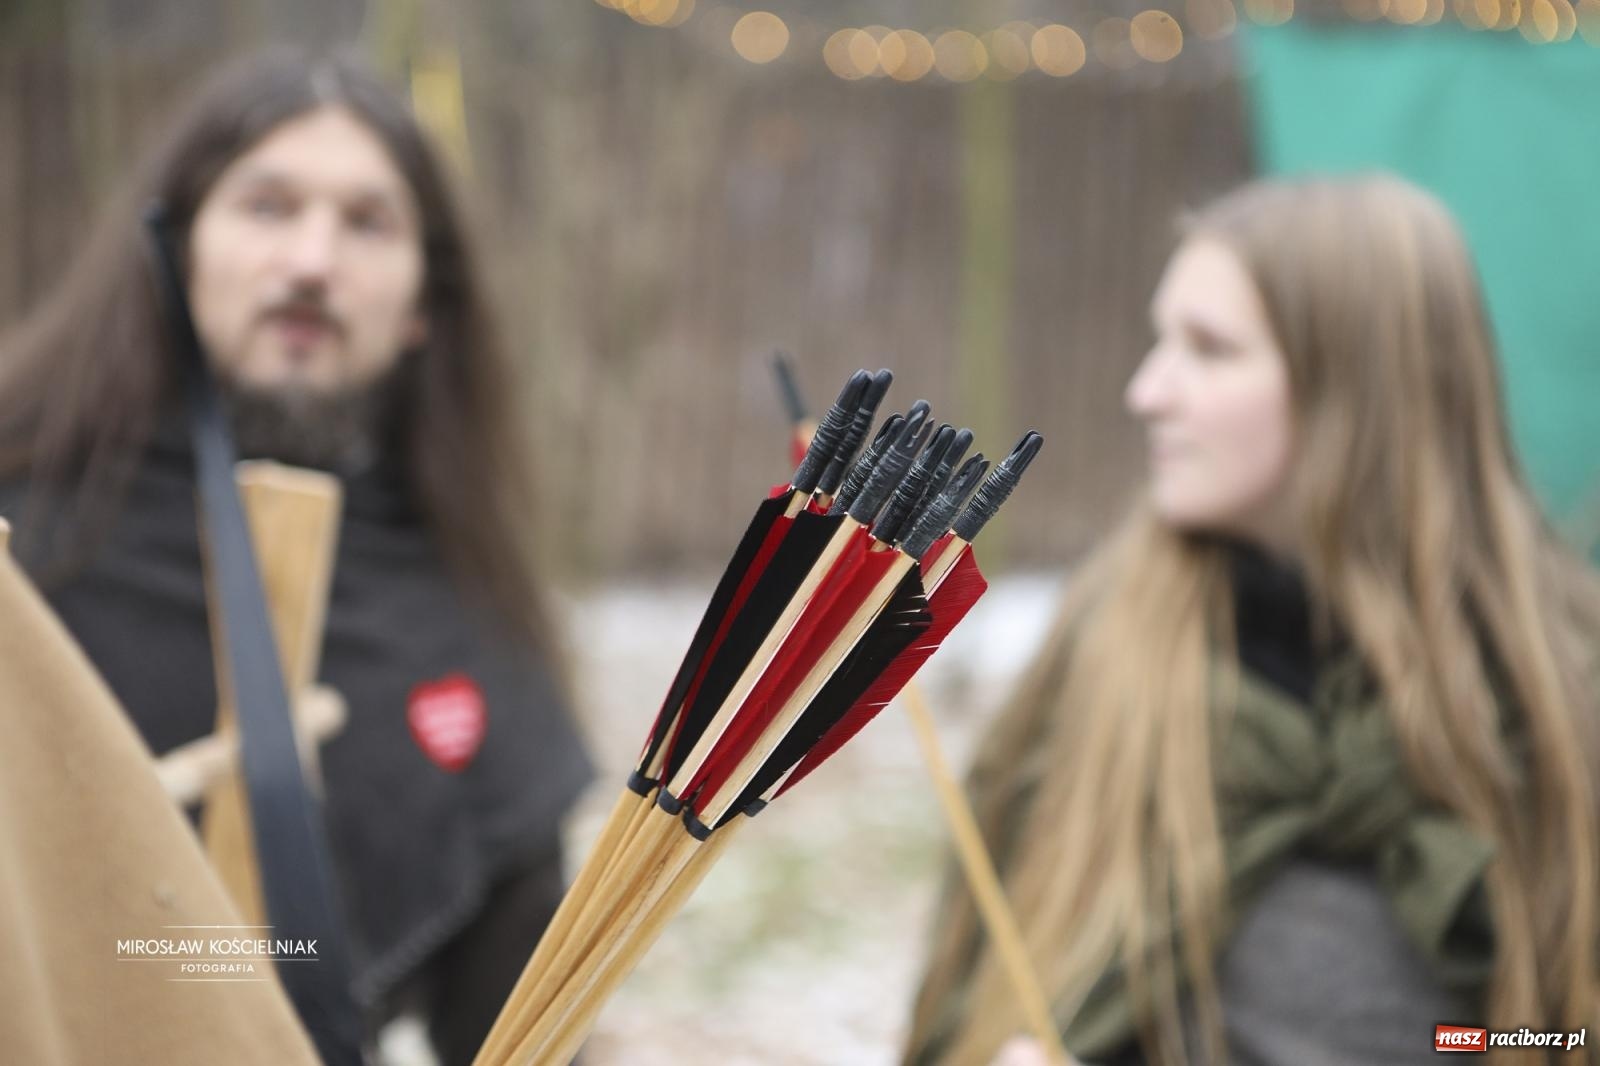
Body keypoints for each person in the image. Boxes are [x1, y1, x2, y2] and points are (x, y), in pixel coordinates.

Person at [904, 175, 1600, 1066]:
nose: (1147, 391)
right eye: (1162, 342)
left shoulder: (1556, 691)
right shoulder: (1109, 649)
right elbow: (986, 989)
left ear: (1357, 385)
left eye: (1210, 349)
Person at [0, 50, 593, 1065]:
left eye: (368, 222)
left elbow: (518, 1023)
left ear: (420, 306)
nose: (313, 259)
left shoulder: (469, 610)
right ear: (174, 251)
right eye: (267, 206)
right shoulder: (21, 561)